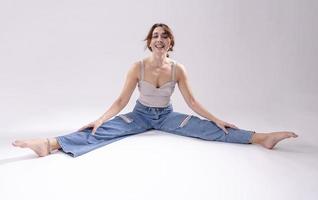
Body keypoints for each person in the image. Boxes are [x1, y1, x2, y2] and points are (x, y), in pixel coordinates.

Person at [12, 23, 298, 157]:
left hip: (166, 116)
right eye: (155, 36)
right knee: (101, 131)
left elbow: (193, 102)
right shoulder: (137, 66)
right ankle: (49, 144)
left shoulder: (178, 69)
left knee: (210, 130)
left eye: (165, 36)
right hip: (139, 115)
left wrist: (216, 119)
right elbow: (121, 99)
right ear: (149, 42)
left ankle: (261, 138)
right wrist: (100, 118)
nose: (160, 39)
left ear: (171, 42)